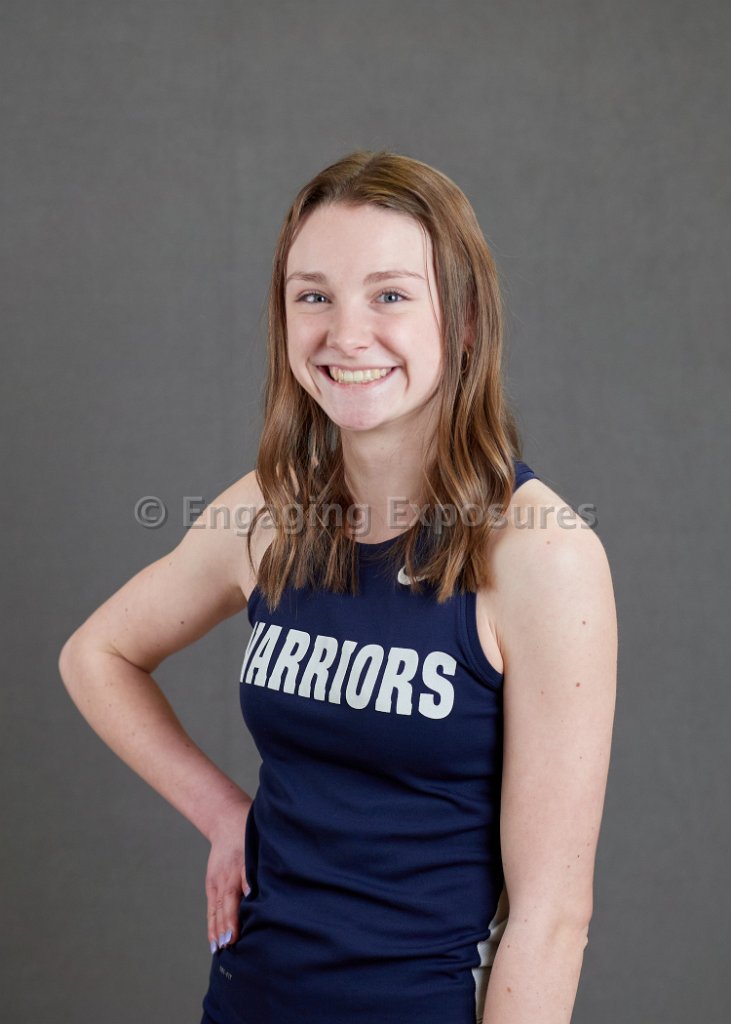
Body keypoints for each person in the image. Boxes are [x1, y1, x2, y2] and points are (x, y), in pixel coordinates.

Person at [58, 149, 617, 1024]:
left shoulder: (541, 556)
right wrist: (222, 813)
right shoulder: (270, 509)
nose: (346, 335)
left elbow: (551, 920)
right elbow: (96, 654)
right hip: (241, 1001)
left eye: (389, 295)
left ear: (464, 320)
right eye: (312, 296)